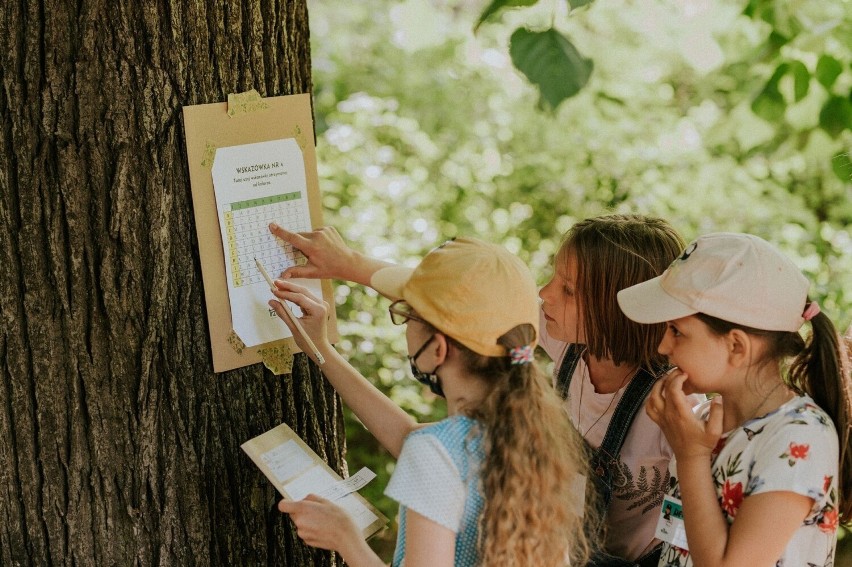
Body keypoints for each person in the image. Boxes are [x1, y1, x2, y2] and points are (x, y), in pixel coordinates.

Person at [271, 214, 704, 566]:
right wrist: (347, 271)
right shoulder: (537, 429)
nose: (544, 294)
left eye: (567, 289)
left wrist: (348, 541)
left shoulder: (675, 406)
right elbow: (460, 299)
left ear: (620, 310)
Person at [270, 236, 595, 566]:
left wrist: (345, 538)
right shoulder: (541, 438)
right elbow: (406, 435)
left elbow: (423, 448)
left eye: (408, 314)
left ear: (439, 348)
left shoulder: (437, 451)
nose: (405, 325)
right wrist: (320, 348)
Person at [617, 232, 851, 566]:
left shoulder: (801, 437)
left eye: (677, 332)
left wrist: (690, 456)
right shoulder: (707, 422)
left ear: (736, 346)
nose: (663, 347)